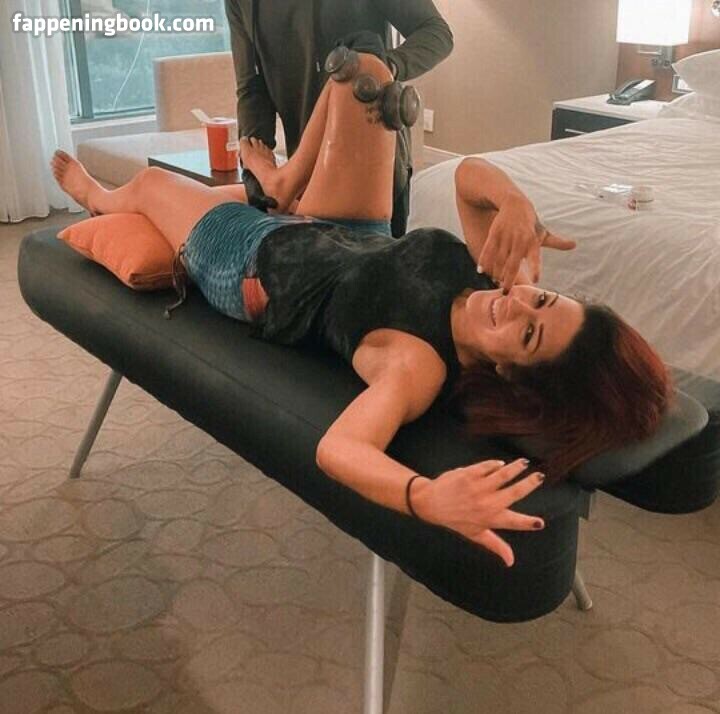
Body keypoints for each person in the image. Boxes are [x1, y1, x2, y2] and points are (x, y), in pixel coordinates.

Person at [51, 53, 671, 567]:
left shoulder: (416, 364)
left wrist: (424, 496)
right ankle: (282, 185)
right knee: (365, 73)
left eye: (529, 334)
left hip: (255, 261)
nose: (515, 304)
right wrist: (513, 202)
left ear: (512, 372)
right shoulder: (499, 284)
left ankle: (103, 198)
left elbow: (340, 449)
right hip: (351, 234)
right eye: (542, 299)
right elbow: (467, 179)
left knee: (151, 186)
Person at [223, 0, 454, 237]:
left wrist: (380, 67)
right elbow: (251, 88)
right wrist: (257, 177)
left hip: (374, 160)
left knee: (375, 257)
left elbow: (436, 32)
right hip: (302, 174)